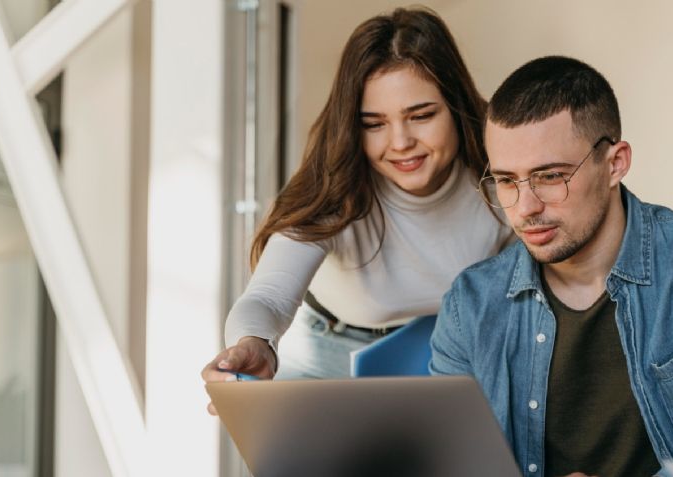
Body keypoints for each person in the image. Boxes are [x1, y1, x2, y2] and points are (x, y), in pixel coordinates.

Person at [430, 56, 673, 477]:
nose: (525, 207)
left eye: (550, 176)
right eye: (507, 181)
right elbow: (450, 459)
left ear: (615, 163)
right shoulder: (469, 305)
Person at [201, 7, 512, 404]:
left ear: (455, 105)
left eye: (421, 116)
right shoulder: (335, 186)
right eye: (374, 124)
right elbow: (267, 298)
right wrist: (253, 344)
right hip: (323, 351)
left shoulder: (503, 179)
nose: (400, 142)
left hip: (446, 351)